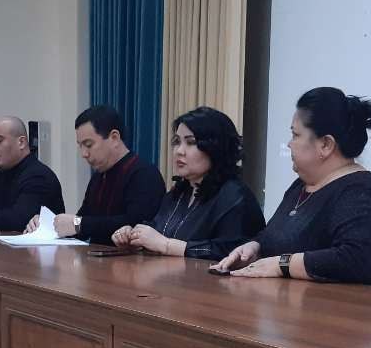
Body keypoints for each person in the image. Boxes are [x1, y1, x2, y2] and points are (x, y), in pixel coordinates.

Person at [213, 87, 371, 287]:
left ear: (325, 145)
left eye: (295, 135)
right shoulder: (301, 186)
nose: (289, 144)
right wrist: (255, 248)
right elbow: (276, 237)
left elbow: (356, 260)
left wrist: (282, 264)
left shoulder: (359, 193)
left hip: (347, 305)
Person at [110, 106, 265, 260]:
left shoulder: (235, 196)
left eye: (191, 143)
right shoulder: (179, 192)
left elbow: (230, 251)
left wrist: (166, 245)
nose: (179, 151)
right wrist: (134, 237)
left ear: (215, 148)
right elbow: (158, 230)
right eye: (177, 142)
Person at [26, 105, 163, 246]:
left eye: (89, 145)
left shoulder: (144, 174)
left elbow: (135, 224)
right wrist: (49, 224)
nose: (84, 154)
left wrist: (78, 224)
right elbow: (82, 223)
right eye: (80, 146)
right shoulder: (98, 177)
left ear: (114, 138)